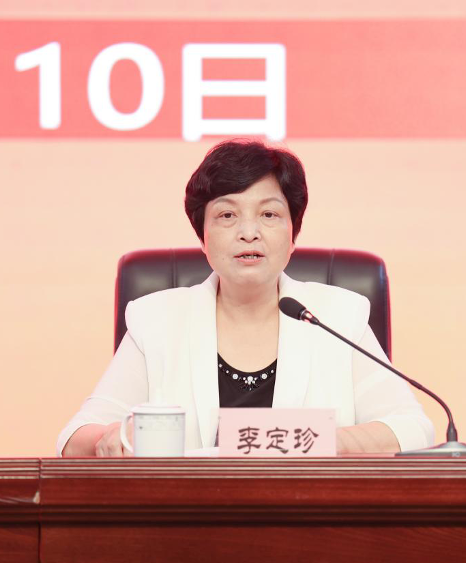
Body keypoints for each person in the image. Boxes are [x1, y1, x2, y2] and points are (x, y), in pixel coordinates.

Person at [58, 140, 434, 457]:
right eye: (227, 215)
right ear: (202, 237)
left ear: (293, 234)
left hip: (308, 516)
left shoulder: (338, 316)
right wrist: (114, 438)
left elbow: (414, 428)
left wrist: (318, 442)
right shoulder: (157, 321)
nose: (249, 232)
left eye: (269, 214)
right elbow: (74, 439)